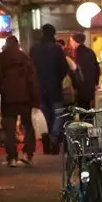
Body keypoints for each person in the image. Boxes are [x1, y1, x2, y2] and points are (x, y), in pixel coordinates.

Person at [0, 34, 41, 166]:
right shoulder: (25, 59)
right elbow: (33, 81)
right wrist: (35, 100)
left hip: (8, 99)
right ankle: (28, 153)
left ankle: (12, 158)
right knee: (28, 126)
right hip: (25, 99)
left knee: (9, 129)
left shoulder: (1, 60)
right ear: (18, 45)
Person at [29, 24, 71, 154]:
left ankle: (47, 139)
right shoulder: (57, 49)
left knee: (46, 117)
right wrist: (57, 79)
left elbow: (30, 68)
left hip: (39, 89)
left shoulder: (34, 49)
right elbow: (64, 68)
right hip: (55, 89)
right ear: (53, 34)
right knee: (59, 115)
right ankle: (53, 137)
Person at [72, 33, 100, 109]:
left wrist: (74, 85)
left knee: (81, 109)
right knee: (87, 108)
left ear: (75, 41)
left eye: (72, 40)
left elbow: (76, 70)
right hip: (90, 86)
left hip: (81, 87)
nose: (71, 43)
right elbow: (97, 68)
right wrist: (96, 82)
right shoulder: (90, 52)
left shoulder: (77, 53)